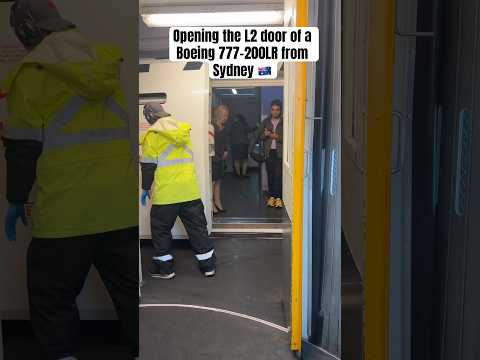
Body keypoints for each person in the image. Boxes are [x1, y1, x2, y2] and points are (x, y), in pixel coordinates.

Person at [1, 1, 139, 359]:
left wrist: (15, 200)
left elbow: (21, 149)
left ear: (28, 30)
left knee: (51, 300)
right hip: (119, 210)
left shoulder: (30, 73)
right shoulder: (108, 63)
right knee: (131, 300)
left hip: (63, 216)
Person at [140, 102, 216, 280]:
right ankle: (208, 266)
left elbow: (148, 166)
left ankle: (165, 269)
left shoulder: (152, 135)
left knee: (161, 230)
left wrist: (145, 187)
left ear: (150, 116)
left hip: (166, 194)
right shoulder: (183, 130)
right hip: (189, 191)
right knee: (198, 229)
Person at [257, 99, 284, 208]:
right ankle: (271, 197)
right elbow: (260, 137)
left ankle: (278, 198)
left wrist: (277, 137)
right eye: (273, 110)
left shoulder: (284, 122)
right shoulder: (266, 121)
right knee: (270, 175)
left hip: (279, 152)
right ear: (270, 110)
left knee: (278, 176)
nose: (275, 112)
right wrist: (266, 135)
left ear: (280, 110)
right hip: (269, 153)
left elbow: (288, 138)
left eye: (277, 110)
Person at [211, 105, 229, 214]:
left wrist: (226, 150)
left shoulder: (223, 127)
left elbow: (225, 142)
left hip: (221, 159)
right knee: (212, 182)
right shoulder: (211, 127)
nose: (226, 118)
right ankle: (212, 204)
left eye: (227, 115)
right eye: (225, 115)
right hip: (214, 159)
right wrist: (216, 155)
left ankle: (218, 203)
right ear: (219, 114)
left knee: (218, 181)